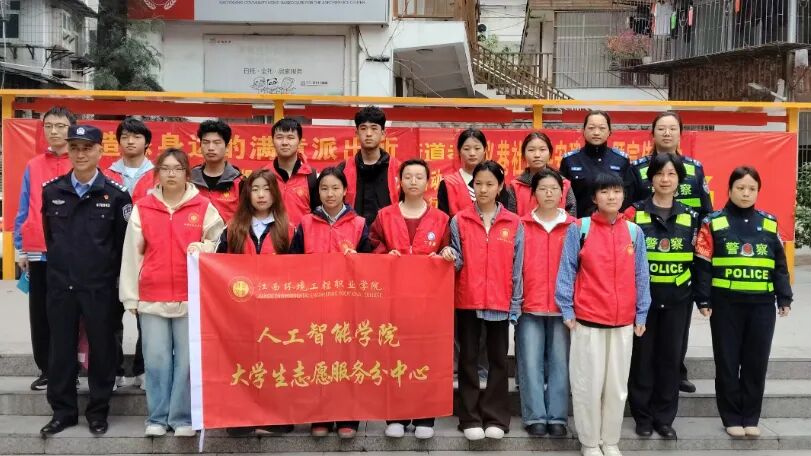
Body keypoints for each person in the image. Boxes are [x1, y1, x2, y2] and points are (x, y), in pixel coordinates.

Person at [120, 148, 225, 437]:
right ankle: (156, 418)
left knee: (188, 362)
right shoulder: (144, 207)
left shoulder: (202, 206)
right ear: (157, 173)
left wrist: (203, 247)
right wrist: (130, 296)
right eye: (165, 168)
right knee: (156, 359)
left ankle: (181, 418)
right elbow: (131, 255)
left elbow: (219, 240)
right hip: (152, 296)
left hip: (191, 296)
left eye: (177, 169)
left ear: (187, 173)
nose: (171, 174)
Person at [39, 125, 132, 437]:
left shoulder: (117, 195)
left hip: (100, 288)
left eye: (87, 148)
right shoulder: (52, 191)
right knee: (60, 351)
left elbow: (122, 247)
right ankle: (62, 412)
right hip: (61, 287)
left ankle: (98, 412)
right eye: (75, 147)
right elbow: (51, 239)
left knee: (102, 350)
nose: (80, 154)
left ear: (100, 151)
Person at [556, 172, 651, 456]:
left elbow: (641, 275)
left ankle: (610, 440)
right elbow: (567, 270)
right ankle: (589, 441)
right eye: (605, 192)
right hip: (588, 320)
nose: (612, 197)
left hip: (623, 322)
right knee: (588, 385)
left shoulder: (634, 232)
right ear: (594, 198)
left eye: (617, 191)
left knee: (617, 387)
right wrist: (567, 308)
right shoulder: (580, 229)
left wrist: (642, 313)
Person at [694, 166, 792, 438]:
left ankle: (751, 417)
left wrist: (784, 296)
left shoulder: (769, 223)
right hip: (725, 305)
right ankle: (731, 417)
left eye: (752, 189)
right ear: (729, 190)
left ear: (758, 192)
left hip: (762, 306)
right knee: (727, 361)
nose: (746, 193)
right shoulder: (713, 222)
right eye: (740, 188)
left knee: (755, 362)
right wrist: (703, 299)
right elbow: (702, 265)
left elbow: (779, 265)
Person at [629, 111, 713, 394]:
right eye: (661, 128)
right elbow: (628, 208)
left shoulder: (694, 168)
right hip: (648, 249)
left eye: (672, 128)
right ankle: (644, 378)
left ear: (680, 133)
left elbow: (705, 211)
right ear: (652, 133)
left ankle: (677, 371)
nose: (667, 133)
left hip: (682, 249)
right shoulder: (639, 168)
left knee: (679, 323)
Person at [369, 159, 452, 440]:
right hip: (394, 300)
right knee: (394, 355)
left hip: (429, 302)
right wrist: (385, 255)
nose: (413, 181)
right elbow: (373, 244)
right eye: (408, 176)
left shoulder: (441, 219)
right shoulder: (384, 216)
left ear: (428, 182)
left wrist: (443, 255)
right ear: (399, 181)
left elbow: (448, 249)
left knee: (427, 356)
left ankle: (426, 416)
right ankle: (397, 416)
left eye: (419, 177)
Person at [443, 160, 524, 441]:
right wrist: (449, 256)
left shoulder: (514, 222)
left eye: (490, 184)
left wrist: (516, 302)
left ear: (500, 187)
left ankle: (496, 417)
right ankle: (469, 417)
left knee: (498, 360)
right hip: (467, 299)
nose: (484, 189)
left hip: (500, 300)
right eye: (478, 184)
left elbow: (517, 267)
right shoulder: (459, 220)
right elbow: (458, 261)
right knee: (467, 359)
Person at [289, 167, 372, 438]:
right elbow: (293, 264)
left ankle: (348, 417)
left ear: (345, 190)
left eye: (335, 188)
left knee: (348, 360)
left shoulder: (359, 224)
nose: (330, 194)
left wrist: (357, 261)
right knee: (318, 360)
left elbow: (372, 267)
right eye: (324, 188)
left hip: (349, 306)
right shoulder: (305, 223)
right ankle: (320, 416)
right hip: (314, 305)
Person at [625, 153, 699, 440]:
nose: (665, 179)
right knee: (642, 360)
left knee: (670, 360)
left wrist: (702, 297)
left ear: (679, 179)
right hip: (642, 302)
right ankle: (642, 417)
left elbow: (700, 260)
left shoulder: (692, 217)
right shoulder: (633, 214)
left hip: (679, 299)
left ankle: (665, 419)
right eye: (659, 174)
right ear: (650, 179)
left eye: (671, 174)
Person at [215, 169, 294, 436]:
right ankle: (241, 417)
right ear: (247, 194)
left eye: (267, 189)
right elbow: (218, 265)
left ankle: (277, 417)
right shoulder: (233, 228)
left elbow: (299, 271)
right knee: (242, 362)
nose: (261, 195)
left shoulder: (288, 228)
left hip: (277, 310)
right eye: (255, 189)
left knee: (276, 362)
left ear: (275, 194)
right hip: (240, 309)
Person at [13, 106, 77, 391]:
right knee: (40, 314)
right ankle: (47, 370)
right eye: (49, 126)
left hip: (74, 253)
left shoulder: (81, 161)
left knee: (70, 314)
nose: (54, 131)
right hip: (39, 250)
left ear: (71, 128)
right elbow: (24, 206)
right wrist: (20, 247)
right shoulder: (34, 165)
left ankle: (70, 370)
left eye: (60, 126)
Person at [516, 168, 576, 438]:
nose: (548, 193)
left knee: (560, 363)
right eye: (542, 188)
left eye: (554, 189)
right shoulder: (521, 225)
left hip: (564, 308)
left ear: (562, 193)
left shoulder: (574, 226)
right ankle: (535, 416)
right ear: (534, 193)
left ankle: (558, 417)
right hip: (529, 305)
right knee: (530, 363)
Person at [104, 117, 155, 391]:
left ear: (147, 142)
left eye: (136, 136)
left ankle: (142, 369)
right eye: (125, 136)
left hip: (148, 255)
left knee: (147, 316)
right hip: (111, 255)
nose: (130, 141)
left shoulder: (158, 174)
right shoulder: (106, 175)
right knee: (110, 315)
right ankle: (112, 371)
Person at [559, 111, 633, 218]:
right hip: (579, 222)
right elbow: (563, 196)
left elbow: (627, 196)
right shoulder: (570, 160)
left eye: (602, 128)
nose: (596, 132)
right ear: (583, 131)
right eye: (591, 128)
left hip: (611, 222)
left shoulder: (621, 160)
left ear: (609, 132)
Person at [336, 106, 401, 225]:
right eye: (363, 128)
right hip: (352, 234)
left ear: (383, 133)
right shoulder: (343, 170)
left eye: (374, 128)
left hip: (388, 234)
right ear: (356, 133)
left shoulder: (398, 170)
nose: (369, 134)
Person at [437, 128, 515, 217]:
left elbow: (505, 214)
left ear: (485, 150)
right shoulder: (448, 183)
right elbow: (443, 219)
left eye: (477, 148)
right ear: (459, 151)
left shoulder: (496, 179)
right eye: (466, 149)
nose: (472, 153)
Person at [264, 117, 319, 226]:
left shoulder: (312, 176)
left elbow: (318, 215)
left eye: (290, 137)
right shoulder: (264, 175)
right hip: (271, 236)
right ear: (272, 141)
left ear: (299, 141)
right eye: (279, 137)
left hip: (303, 236)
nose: (284, 142)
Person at [509, 131, 576, 216]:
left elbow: (571, 218)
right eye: (531, 150)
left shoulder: (564, 184)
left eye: (542, 150)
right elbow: (511, 219)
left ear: (550, 153)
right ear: (524, 154)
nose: (537, 155)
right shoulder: (516, 186)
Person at [191, 119, 243, 223]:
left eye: (216, 142)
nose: (211, 148)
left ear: (227, 147)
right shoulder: (189, 180)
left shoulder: (239, 183)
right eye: (206, 142)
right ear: (200, 146)